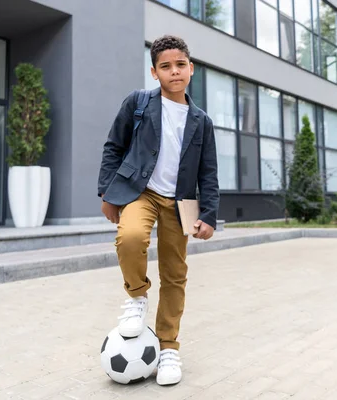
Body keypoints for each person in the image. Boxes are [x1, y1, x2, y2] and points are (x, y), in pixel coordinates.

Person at [97, 35, 219, 386]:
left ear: (191, 69)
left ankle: (168, 348)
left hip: (183, 202)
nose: (174, 71)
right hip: (141, 192)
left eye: (180, 64)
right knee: (131, 237)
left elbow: (208, 171)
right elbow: (113, 146)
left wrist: (208, 214)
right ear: (154, 72)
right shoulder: (138, 103)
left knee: (175, 273)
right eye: (165, 66)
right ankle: (137, 295)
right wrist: (107, 191)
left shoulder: (202, 120)